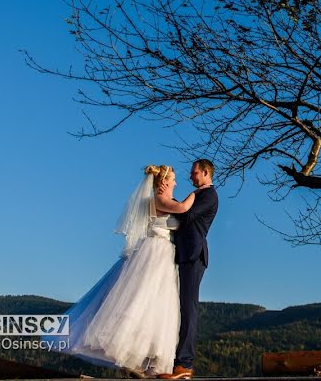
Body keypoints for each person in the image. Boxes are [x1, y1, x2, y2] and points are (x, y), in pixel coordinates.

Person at [55, 165, 194, 377]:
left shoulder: (161, 201)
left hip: (163, 254)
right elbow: (183, 209)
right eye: (173, 179)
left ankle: (145, 360)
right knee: (141, 302)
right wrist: (199, 193)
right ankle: (134, 357)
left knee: (155, 307)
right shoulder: (158, 200)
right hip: (156, 253)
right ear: (164, 182)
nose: (176, 183)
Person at [159, 159, 219, 380]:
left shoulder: (209, 195)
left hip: (194, 255)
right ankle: (172, 359)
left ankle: (184, 363)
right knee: (179, 306)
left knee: (189, 307)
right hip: (183, 254)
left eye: (194, 173)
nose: (191, 177)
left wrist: (166, 199)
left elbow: (187, 215)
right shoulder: (199, 194)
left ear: (205, 172)